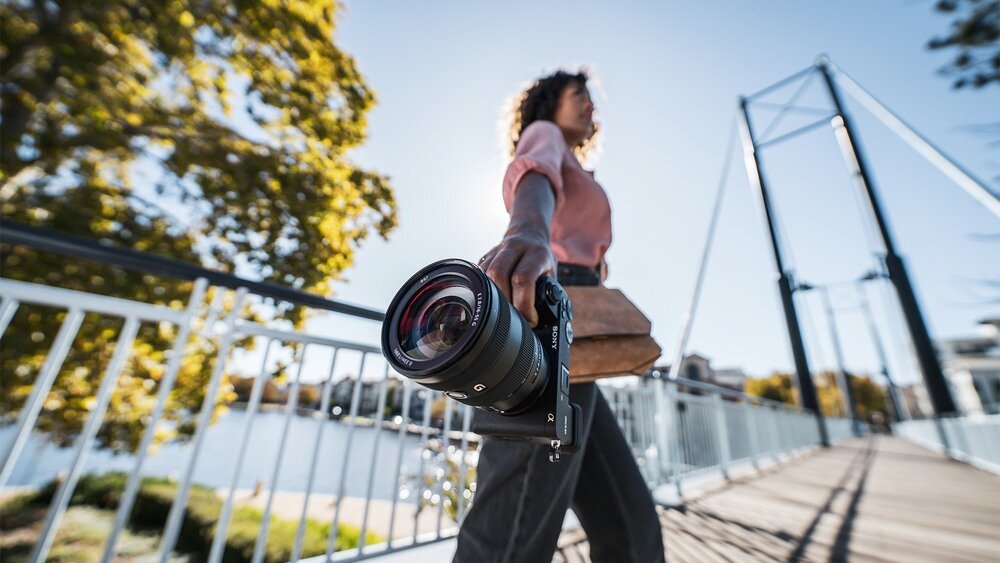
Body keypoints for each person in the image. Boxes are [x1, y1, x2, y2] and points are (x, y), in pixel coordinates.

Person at [454, 69, 665, 563]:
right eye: (579, 96)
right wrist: (527, 233)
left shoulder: (574, 163)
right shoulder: (544, 134)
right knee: (509, 531)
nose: (590, 106)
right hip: (546, 316)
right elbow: (534, 182)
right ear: (552, 102)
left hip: (581, 338)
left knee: (630, 525)